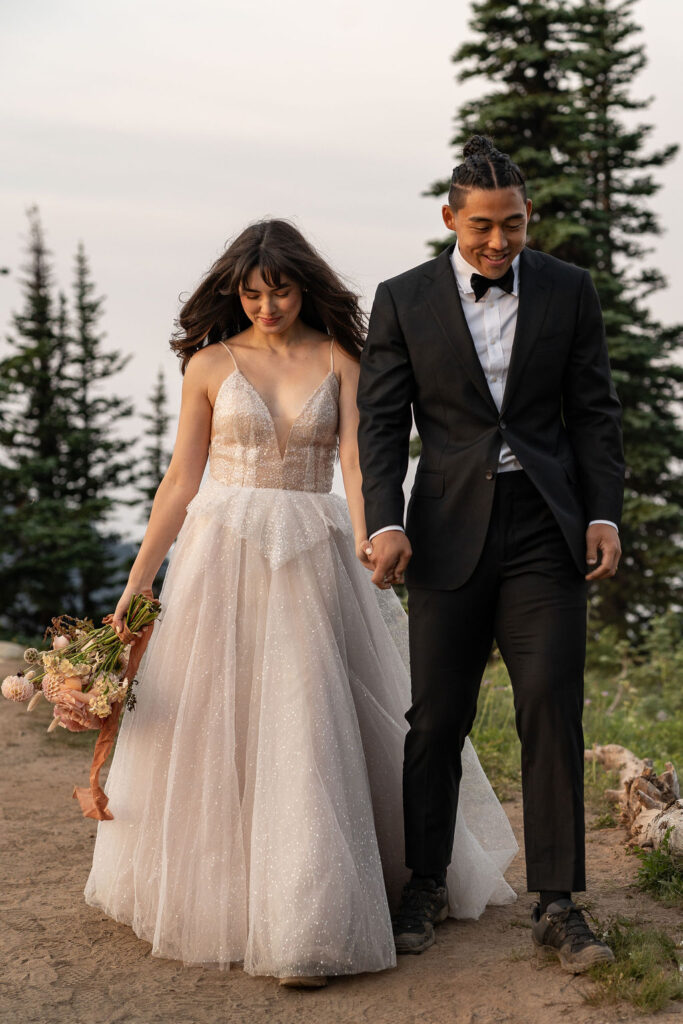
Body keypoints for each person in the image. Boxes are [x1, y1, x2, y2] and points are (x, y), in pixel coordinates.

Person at [84, 219, 518, 986]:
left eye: (279, 289)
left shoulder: (341, 359)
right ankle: (225, 893)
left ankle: (308, 917)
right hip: (223, 554)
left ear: (302, 286)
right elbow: (180, 481)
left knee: (309, 720)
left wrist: (371, 536)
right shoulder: (210, 366)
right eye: (251, 293)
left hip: (316, 551)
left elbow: (357, 464)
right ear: (236, 293)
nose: (266, 305)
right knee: (222, 721)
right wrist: (138, 580)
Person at [357, 137, 625, 973]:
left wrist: (604, 515)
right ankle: (424, 884)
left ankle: (557, 902)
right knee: (435, 716)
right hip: (443, 530)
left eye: (511, 226)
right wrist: (384, 521)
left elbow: (594, 414)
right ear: (449, 218)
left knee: (550, 703)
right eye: (481, 228)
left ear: (526, 218)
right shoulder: (402, 300)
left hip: (545, 529)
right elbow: (377, 423)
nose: (498, 244)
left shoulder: (569, 291)